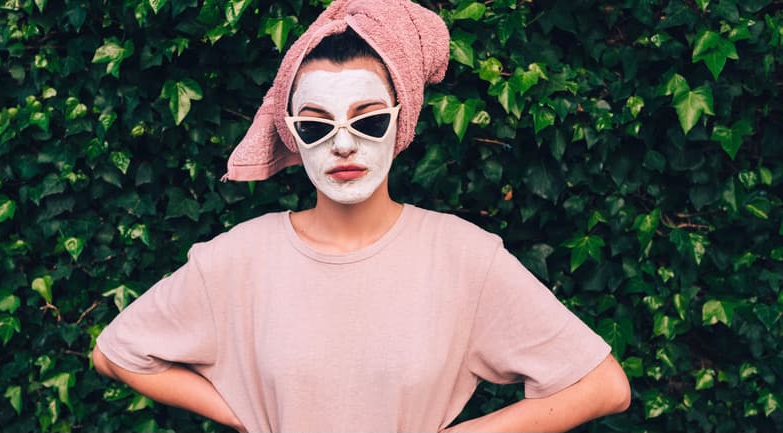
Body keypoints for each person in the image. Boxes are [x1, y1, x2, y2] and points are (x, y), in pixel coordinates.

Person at [91, 1, 631, 431]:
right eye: (316, 124)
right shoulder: (240, 257)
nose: (343, 144)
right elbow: (117, 354)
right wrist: (250, 415)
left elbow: (602, 385)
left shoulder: (464, 257)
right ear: (291, 134)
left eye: (368, 120)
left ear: (402, 121)